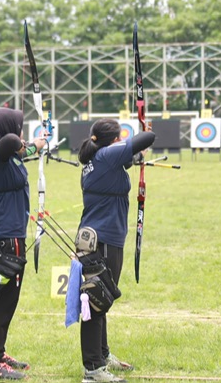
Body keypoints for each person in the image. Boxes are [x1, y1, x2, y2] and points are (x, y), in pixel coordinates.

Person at [76, 118, 155, 383]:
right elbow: (147, 138)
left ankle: (102, 354)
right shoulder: (107, 155)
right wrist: (144, 133)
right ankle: (93, 369)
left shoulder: (97, 159)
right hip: (103, 240)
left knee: (101, 297)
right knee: (96, 301)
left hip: (99, 237)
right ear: (112, 141)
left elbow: (125, 160)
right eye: (120, 137)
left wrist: (134, 154)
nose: (122, 141)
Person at [0, 108, 47, 380]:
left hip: (10, 236)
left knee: (8, 301)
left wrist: (34, 146)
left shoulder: (7, 158)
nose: (21, 133)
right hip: (1, 240)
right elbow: (11, 143)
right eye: (18, 127)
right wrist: (27, 144)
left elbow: (16, 148)